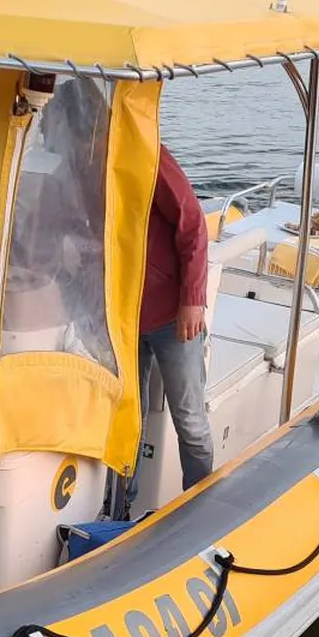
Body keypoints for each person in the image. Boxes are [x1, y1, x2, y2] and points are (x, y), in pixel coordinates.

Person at [138, 144, 214, 491]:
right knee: (125, 423)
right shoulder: (79, 163)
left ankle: (198, 509)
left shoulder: (149, 155)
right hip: (117, 319)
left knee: (191, 422)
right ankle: (120, 511)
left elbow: (194, 226)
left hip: (172, 316)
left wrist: (193, 301)